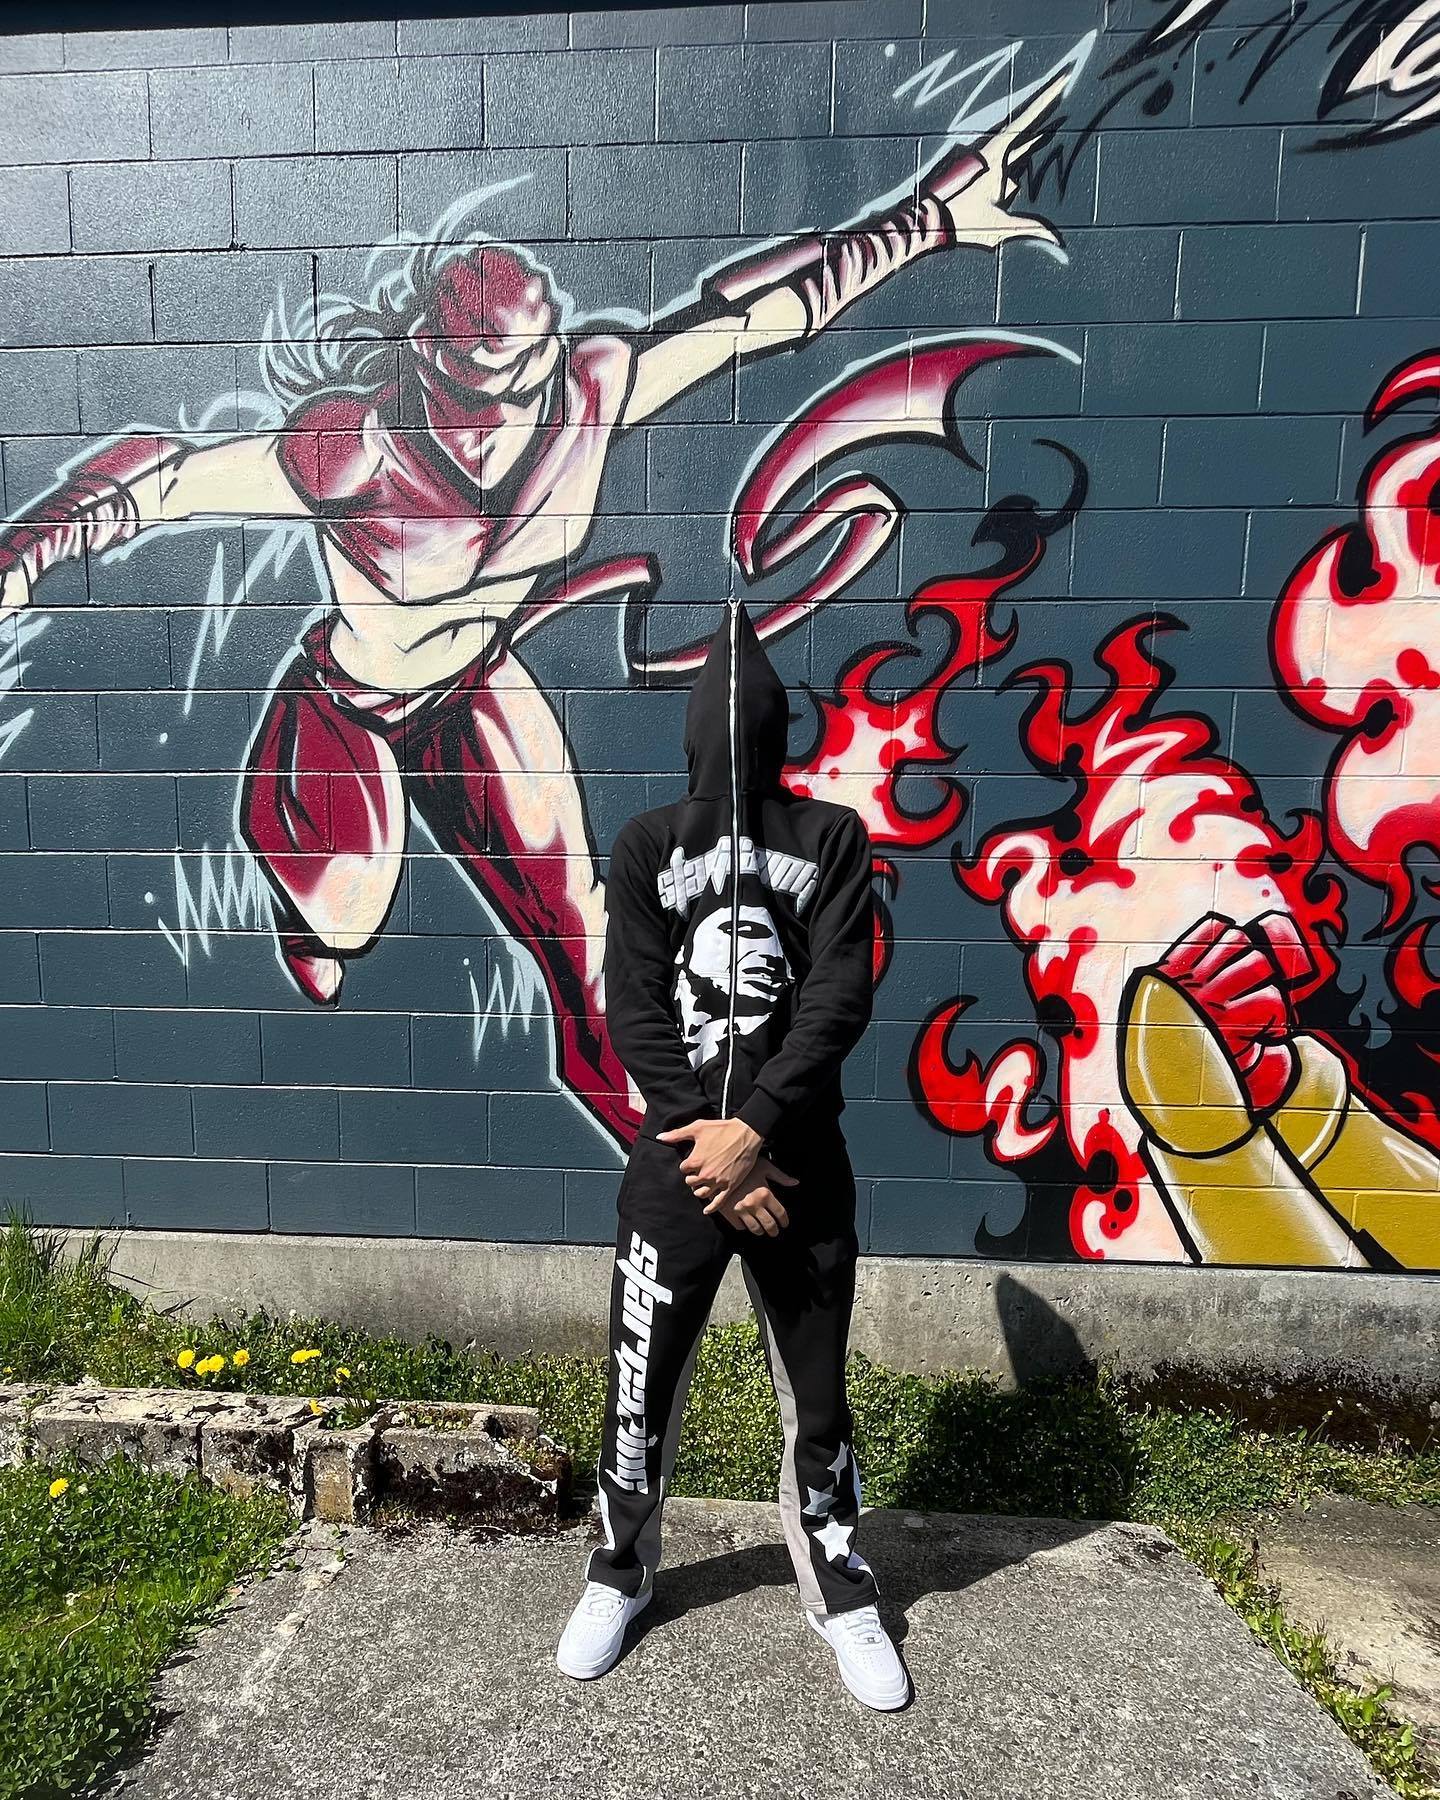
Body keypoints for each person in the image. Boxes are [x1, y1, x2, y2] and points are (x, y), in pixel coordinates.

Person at [0, 81, 1064, 1147]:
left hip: (475, 687)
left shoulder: (587, 395)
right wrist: (28, 548)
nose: (496, 421)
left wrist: (931, 219)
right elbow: (174, 480)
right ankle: (311, 908)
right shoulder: (353, 453)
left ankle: (660, 1152)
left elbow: (755, 319)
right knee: (344, 916)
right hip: (350, 703)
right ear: (429, 368)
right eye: (473, 393)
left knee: (578, 932)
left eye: (518, 386)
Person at [555, 602, 907, 1711]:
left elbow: (839, 994)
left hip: (798, 1169)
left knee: (819, 1398)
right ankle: (619, 1570)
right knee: (639, 1388)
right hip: (678, 1169)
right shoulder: (647, 845)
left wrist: (753, 1131)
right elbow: (634, 1007)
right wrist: (713, 1147)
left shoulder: (833, 838)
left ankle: (839, 1590)